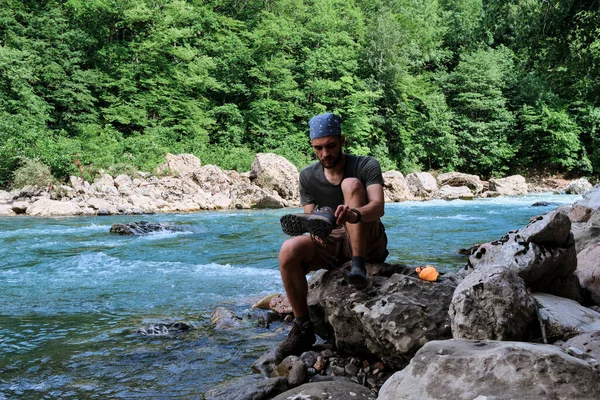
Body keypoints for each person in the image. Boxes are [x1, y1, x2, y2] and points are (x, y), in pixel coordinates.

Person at [277, 112, 388, 357]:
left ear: (342, 140)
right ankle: (303, 325)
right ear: (312, 146)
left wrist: (354, 215)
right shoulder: (307, 175)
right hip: (332, 239)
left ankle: (358, 266)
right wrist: (320, 219)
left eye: (331, 146)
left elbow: (378, 207)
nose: (325, 153)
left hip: (368, 236)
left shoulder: (366, 164)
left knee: (350, 184)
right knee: (288, 250)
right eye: (319, 148)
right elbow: (309, 220)